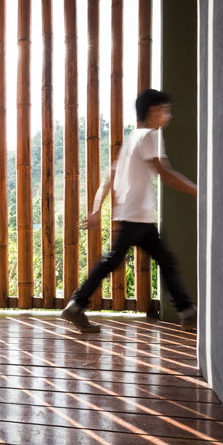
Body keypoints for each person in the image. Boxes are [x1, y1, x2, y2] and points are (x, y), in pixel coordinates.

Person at [61, 89, 198, 333]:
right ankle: (187, 310)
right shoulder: (149, 136)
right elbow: (164, 173)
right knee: (153, 261)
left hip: (132, 216)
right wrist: (198, 190)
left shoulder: (132, 138)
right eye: (165, 110)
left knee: (123, 261)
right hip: (137, 218)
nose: (168, 115)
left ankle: (77, 304)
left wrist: (96, 211)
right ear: (153, 111)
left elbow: (108, 178)